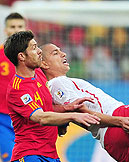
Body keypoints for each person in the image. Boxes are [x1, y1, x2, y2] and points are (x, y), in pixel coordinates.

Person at [3, 30, 107, 162]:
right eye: (34, 48)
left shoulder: (39, 74)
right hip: (30, 155)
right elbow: (41, 117)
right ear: (22, 56)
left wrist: (68, 108)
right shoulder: (18, 89)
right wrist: (74, 115)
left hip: (51, 154)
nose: (39, 51)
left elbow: (47, 108)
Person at [0, 12, 26, 162]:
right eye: (12, 26)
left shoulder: (33, 56)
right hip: (2, 118)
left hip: (26, 118)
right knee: (10, 158)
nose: (16, 30)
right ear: (6, 30)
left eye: (20, 26)